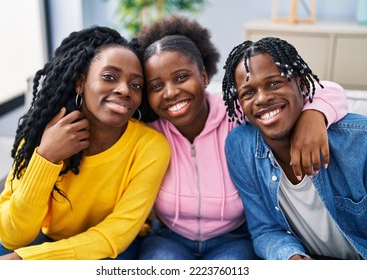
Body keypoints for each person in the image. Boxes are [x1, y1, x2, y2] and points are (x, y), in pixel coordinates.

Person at [135, 15, 348, 260]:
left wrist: (315, 115)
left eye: (181, 77)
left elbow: (326, 88)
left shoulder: (236, 111)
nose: (171, 92)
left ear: (204, 76)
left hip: (233, 238)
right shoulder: (150, 129)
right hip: (169, 237)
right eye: (156, 86)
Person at [0, 26, 171, 260]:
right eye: (109, 77)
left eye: (136, 85)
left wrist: (28, 261)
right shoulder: (40, 136)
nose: (124, 90)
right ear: (80, 83)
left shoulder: (150, 147)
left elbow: (115, 236)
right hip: (48, 237)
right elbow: (13, 237)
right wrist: (46, 158)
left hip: (109, 248)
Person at [223, 36, 367, 260]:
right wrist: (292, 260)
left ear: (300, 84)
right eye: (248, 93)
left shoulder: (359, 141)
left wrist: (316, 113)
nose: (262, 98)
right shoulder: (240, 147)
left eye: (273, 83)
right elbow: (265, 230)